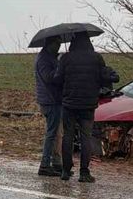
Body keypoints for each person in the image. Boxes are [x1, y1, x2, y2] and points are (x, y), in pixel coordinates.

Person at [53, 32, 114, 183]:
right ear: (89, 42)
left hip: (69, 104)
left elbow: (57, 79)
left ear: (73, 42)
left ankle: (66, 171)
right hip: (88, 104)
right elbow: (103, 78)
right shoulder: (97, 58)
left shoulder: (66, 58)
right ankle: (84, 173)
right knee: (86, 137)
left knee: (68, 136)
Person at [34, 37, 64, 177]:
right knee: (52, 133)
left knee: (56, 133)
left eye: (59, 44)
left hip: (50, 99)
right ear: (49, 44)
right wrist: (60, 69)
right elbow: (49, 77)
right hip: (50, 100)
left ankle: (57, 164)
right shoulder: (44, 59)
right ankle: (45, 165)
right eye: (56, 44)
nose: (58, 46)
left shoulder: (48, 57)